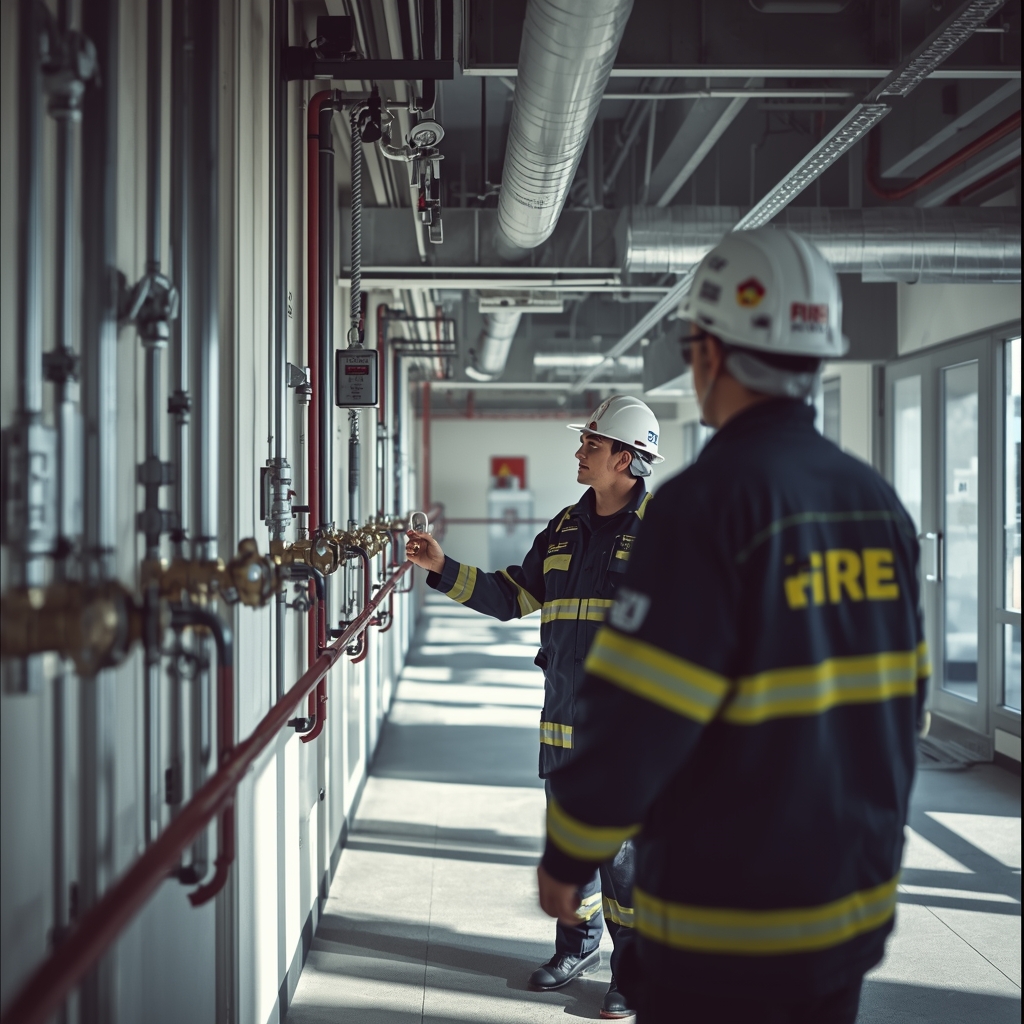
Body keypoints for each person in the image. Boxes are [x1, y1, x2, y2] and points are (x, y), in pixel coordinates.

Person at [536, 228, 929, 1023]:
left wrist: (571, 847)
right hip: (849, 897)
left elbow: (641, 715)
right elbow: (904, 705)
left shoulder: (703, 506)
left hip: (730, 914)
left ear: (709, 353)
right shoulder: (874, 502)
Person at [406, 394, 664, 1019]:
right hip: (564, 723)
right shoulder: (566, 527)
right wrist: (443, 569)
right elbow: (514, 595)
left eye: (593, 446)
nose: (581, 452)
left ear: (626, 460)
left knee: (625, 863)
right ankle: (577, 948)